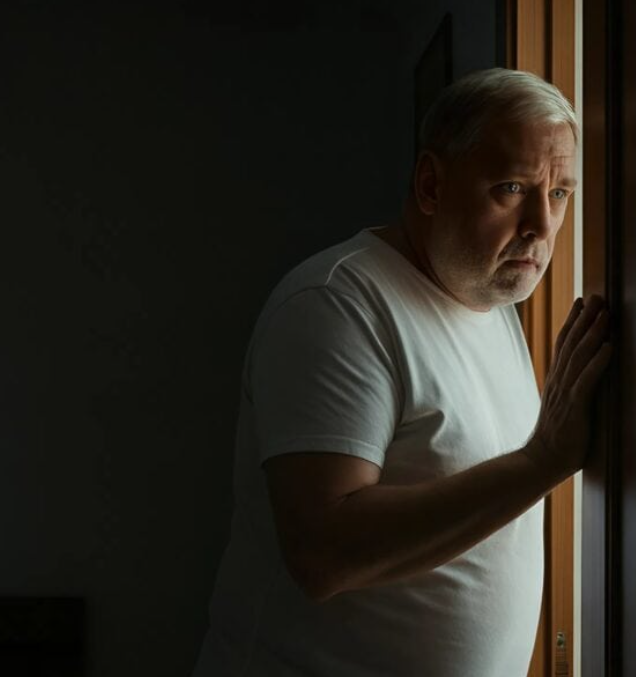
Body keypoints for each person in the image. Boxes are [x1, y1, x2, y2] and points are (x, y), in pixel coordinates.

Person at [190, 68, 611, 677]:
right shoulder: (335, 304)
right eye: (512, 188)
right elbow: (323, 554)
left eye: (559, 194)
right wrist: (542, 462)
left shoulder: (490, 305)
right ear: (431, 184)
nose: (542, 227)